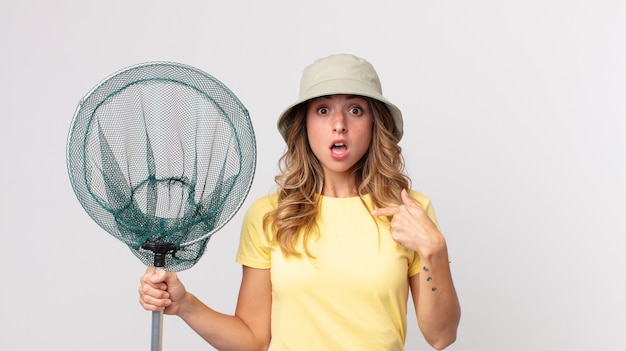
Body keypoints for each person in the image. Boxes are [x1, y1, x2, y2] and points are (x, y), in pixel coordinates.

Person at [139, 53, 461, 350]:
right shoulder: (269, 216)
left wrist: (434, 249)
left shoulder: (409, 212)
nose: (339, 125)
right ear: (304, 125)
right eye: (323, 110)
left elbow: (441, 336)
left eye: (355, 110)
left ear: (375, 123)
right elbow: (253, 339)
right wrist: (185, 304)